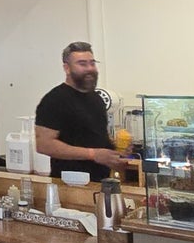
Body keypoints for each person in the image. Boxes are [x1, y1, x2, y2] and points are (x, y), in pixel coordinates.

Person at [34, 42, 127, 181]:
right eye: (82, 64)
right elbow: (44, 145)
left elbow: (94, 137)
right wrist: (93, 154)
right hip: (69, 184)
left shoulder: (96, 99)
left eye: (92, 63)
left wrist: (117, 151)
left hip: (100, 182)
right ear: (67, 68)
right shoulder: (54, 100)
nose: (90, 68)